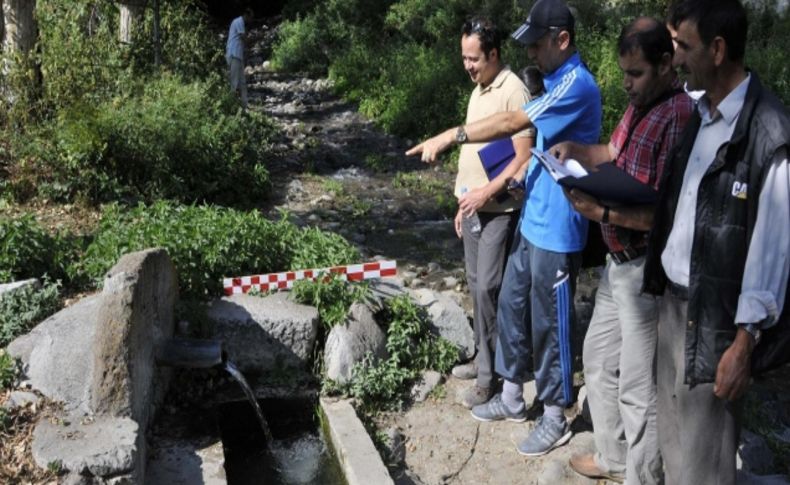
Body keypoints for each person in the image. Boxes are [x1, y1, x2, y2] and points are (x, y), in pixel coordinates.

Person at [407, 0, 602, 457]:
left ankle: (555, 413)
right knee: (513, 306)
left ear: (562, 40)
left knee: (552, 322)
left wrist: (450, 135)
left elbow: (515, 122)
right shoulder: (552, 79)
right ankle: (513, 397)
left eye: (536, 44)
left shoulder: (576, 84)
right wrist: (514, 178)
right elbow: (536, 148)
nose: (530, 53)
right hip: (532, 214)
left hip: (559, 225)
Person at [642, 1, 790, 483]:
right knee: (673, 445)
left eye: (685, 46)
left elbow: (773, 251)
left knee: (704, 467)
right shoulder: (700, 113)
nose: (677, 58)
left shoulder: (768, 134)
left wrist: (743, 345)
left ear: (719, 49)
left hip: (716, 325)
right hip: (674, 308)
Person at [550, 18, 694, 484]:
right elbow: (611, 152)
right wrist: (577, 150)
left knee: (638, 386)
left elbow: (664, 216)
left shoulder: (677, 117)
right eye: (624, 74)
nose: (627, 84)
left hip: (644, 272)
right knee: (596, 357)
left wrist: (602, 214)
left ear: (667, 65)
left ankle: (642, 476)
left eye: (636, 74)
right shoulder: (639, 106)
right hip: (616, 264)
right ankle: (613, 457)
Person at [449, 17, 535, 409]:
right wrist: (462, 200)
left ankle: (493, 379)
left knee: (489, 289)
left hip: (500, 209)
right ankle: (484, 359)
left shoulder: (513, 90)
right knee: (475, 287)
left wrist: (486, 192)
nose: (468, 65)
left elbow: (523, 158)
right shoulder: (479, 88)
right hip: (472, 207)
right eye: (464, 58)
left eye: (474, 59)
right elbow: (473, 151)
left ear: (494, 54)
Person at [226, 8, 254, 109]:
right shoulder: (239, 22)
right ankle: (230, 106)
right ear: (247, 15)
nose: (251, 20)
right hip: (234, 54)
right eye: (251, 18)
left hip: (238, 56)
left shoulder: (240, 22)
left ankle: (244, 105)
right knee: (234, 81)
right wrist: (251, 43)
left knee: (242, 81)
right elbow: (243, 37)